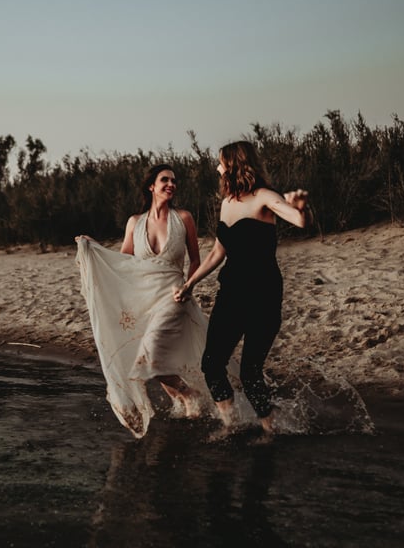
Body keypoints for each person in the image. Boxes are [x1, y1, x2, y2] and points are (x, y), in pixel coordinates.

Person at [76, 163, 247, 439]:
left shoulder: (184, 218)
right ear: (151, 186)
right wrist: (93, 248)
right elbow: (123, 262)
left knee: (150, 356)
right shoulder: (135, 222)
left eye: (174, 181)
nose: (171, 184)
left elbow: (195, 260)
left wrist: (189, 287)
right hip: (144, 299)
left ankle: (189, 395)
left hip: (174, 296)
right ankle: (187, 401)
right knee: (154, 362)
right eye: (164, 180)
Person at [174, 140, 312, 442]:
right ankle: (231, 425)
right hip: (231, 292)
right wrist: (190, 283)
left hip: (263, 293)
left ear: (234, 164)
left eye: (221, 162)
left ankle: (269, 430)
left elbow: (299, 220)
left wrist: (301, 207)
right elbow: (216, 253)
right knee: (212, 364)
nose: (218, 167)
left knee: (250, 373)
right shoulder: (227, 203)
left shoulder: (264, 196)